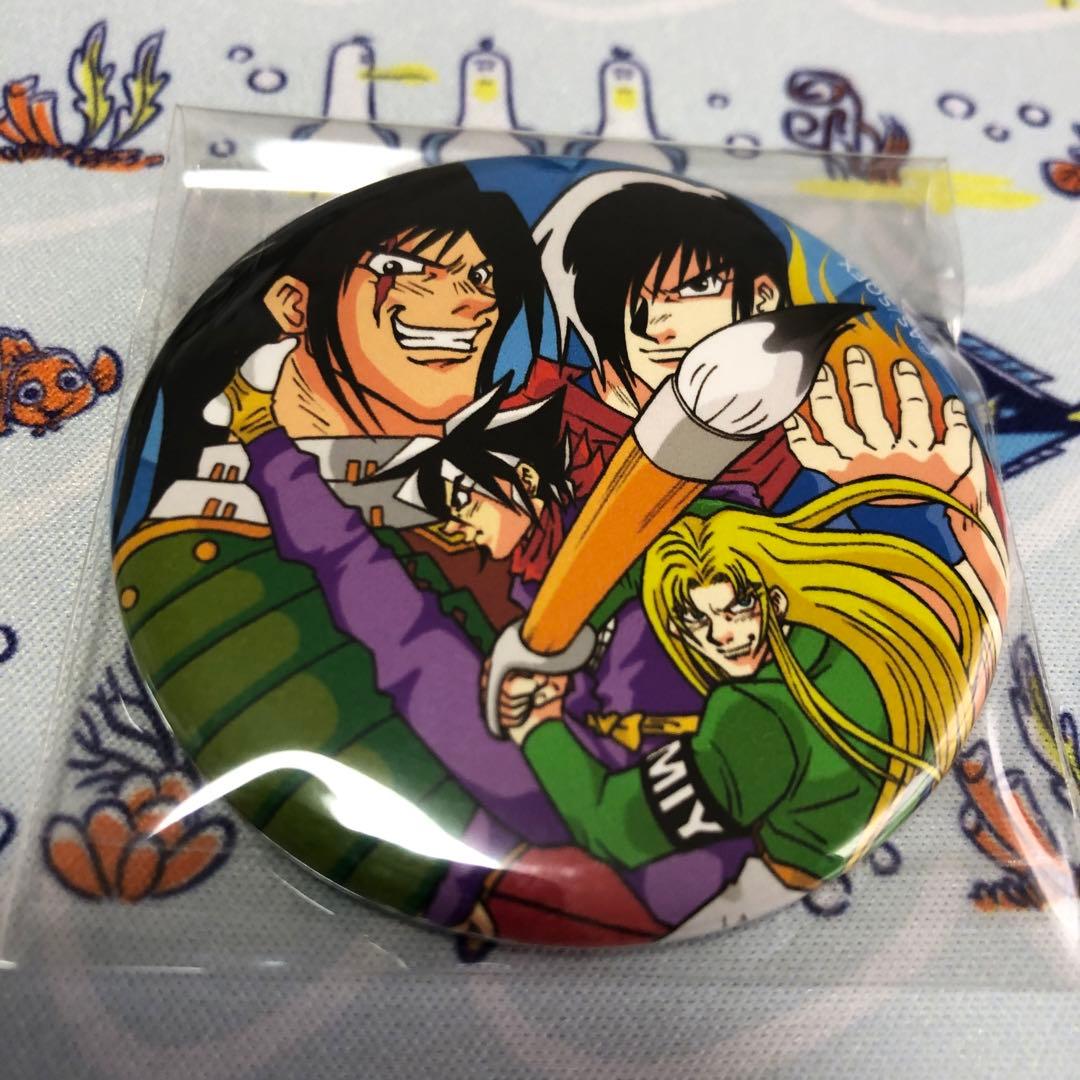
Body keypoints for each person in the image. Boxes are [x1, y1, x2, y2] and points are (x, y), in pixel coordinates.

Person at [498, 476, 998, 936]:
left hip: (781, 897)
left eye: (738, 607)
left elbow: (617, 828)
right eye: (696, 619)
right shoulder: (846, 634)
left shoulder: (758, 717)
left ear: (773, 601)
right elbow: (666, 534)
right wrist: (570, 629)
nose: (723, 635)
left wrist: (537, 728)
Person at [113, 163, 546, 538]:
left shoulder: (498, 495)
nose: (475, 302)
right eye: (402, 268)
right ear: (293, 305)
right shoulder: (216, 507)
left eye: (481, 277)